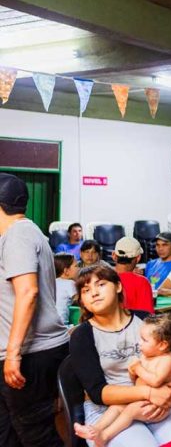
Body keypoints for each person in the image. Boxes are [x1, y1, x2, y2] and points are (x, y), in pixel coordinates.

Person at [69, 265, 171, 446]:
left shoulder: (146, 321)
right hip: (108, 411)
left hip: (156, 400)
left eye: (101, 284)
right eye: (86, 290)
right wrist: (149, 392)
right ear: (82, 300)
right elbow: (97, 392)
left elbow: (169, 363)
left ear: (118, 286)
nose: (94, 293)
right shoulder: (82, 335)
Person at [0, 173, 70, 446]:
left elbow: (28, 292)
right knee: (8, 434)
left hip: (30, 354)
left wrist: (13, 353)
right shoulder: (22, 234)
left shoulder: (19, 234)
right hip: (21, 352)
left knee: (36, 436)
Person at [74, 314, 171, 447]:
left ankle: (105, 436)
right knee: (116, 407)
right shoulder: (147, 355)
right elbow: (135, 381)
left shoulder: (167, 359)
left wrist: (138, 368)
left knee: (129, 412)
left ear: (162, 345)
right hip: (141, 399)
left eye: (144, 340)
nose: (139, 343)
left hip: (154, 406)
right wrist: (132, 373)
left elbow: (156, 381)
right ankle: (96, 428)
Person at [112, 237, 155, 314]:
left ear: (114, 255)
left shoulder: (103, 279)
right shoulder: (142, 282)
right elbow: (147, 316)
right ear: (138, 258)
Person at [54, 252, 79, 328]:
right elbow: (81, 301)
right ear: (66, 271)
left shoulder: (53, 282)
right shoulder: (70, 284)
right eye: (76, 266)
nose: (79, 269)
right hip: (62, 326)